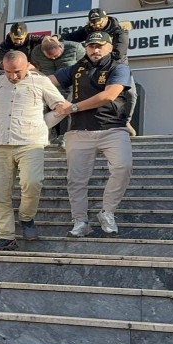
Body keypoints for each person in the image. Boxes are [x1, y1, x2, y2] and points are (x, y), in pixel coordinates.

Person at [50, 31, 133, 238]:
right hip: (79, 131)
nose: (95, 50)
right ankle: (80, 222)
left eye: (100, 46)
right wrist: (26, 74)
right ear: (85, 48)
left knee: (123, 167)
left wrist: (73, 107)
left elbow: (109, 95)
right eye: (91, 46)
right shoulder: (76, 68)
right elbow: (48, 81)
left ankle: (107, 212)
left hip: (112, 128)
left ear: (110, 47)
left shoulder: (119, 67)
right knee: (76, 180)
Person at [0, 51, 67, 251]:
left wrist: (43, 124)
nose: (12, 76)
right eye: (8, 71)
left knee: (32, 182)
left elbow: (61, 106)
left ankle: (27, 217)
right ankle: (6, 236)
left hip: (30, 142)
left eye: (17, 72)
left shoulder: (40, 81)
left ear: (28, 65)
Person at [63, 8, 137, 136]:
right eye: (93, 23)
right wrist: (56, 38)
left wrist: (95, 57)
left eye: (98, 22)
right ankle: (71, 130)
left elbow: (118, 54)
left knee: (131, 94)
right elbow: (70, 37)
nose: (96, 26)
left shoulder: (119, 30)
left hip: (117, 66)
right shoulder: (89, 29)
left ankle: (126, 121)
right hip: (93, 66)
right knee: (77, 94)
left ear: (106, 18)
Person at [31, 37, 85, 143]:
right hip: (47, 87)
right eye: (49, 57)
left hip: (70, 87)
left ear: (60, 46)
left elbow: (85, 67)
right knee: (41, 109)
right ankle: (44, 137)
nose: (53, 59)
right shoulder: (36, 52)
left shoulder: (75, 48)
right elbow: (35, 68)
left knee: (68, 109)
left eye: (56, 55)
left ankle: (64, 137)